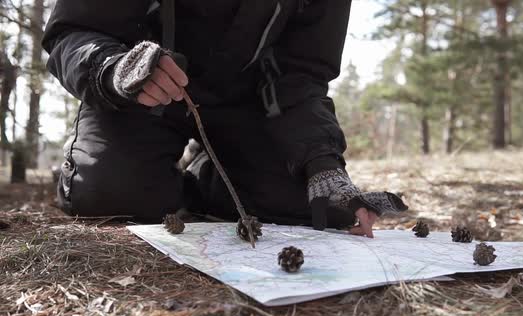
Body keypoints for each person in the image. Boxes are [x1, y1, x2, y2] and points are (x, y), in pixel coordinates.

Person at [42, 0, 407, 237]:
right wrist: (113, 69)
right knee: (111, 195)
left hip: (248, 105)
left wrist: (322, 161)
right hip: (138, 87)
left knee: (317, 207)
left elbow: (302, 75)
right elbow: (73, 31)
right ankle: (133, 173)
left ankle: (209, 177)